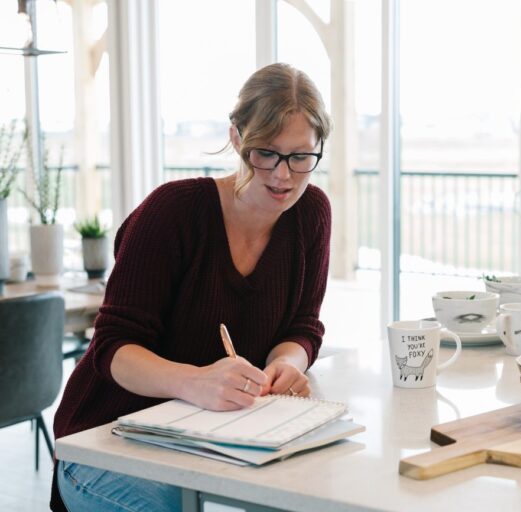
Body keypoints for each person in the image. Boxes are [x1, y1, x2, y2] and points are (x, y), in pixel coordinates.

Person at [51, 63, 332, 512]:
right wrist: (196, 382)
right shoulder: (174, 212)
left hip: (215, 440)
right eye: (266, 153)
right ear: (237, 139)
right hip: (104, 441)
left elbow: (303, 325)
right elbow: (112, 348)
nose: (283, 175)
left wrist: (286, 363)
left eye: (300, 157)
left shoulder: (311, 213)